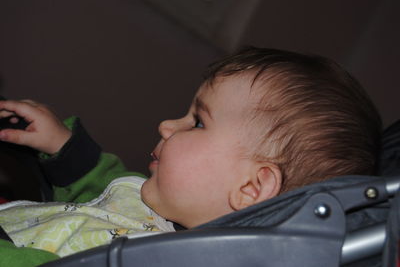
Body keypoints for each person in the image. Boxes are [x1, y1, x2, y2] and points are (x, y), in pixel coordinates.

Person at [0, 47, 382, 266]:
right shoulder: (157, 205)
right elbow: (111, 195)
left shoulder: (159, 261)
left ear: (250, 188)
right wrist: (64, 147)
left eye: (198, 122)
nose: (167, 125)